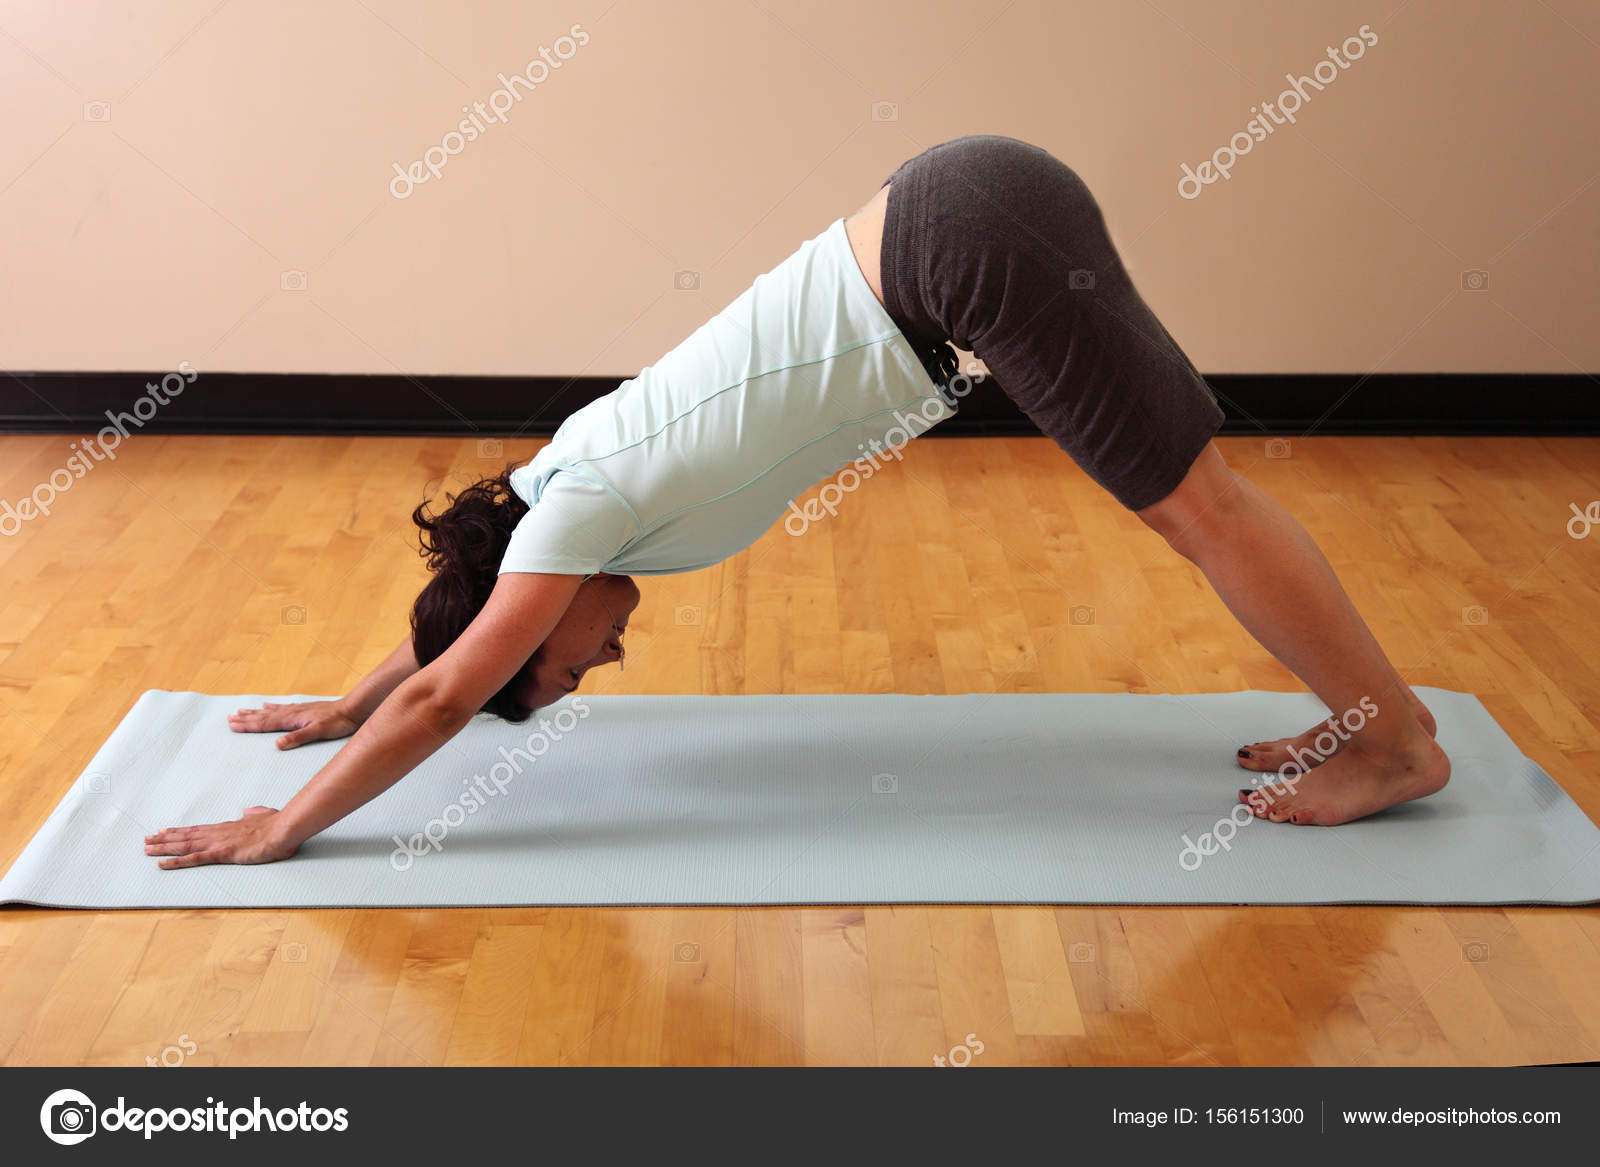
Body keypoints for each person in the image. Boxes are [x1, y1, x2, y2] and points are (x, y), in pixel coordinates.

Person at [144, 135, 1448, 870]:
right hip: (961, 212)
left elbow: (448, 688)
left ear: (524, 616)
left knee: (1197, 509)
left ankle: (1392, 743)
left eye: (572, 673)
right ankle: (1369, 718)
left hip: (961, 249)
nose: (607, 655)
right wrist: (344, 699)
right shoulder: (554, 498)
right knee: (1198, 497)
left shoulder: (571, 520)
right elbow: (448, 652)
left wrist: (281, 826)